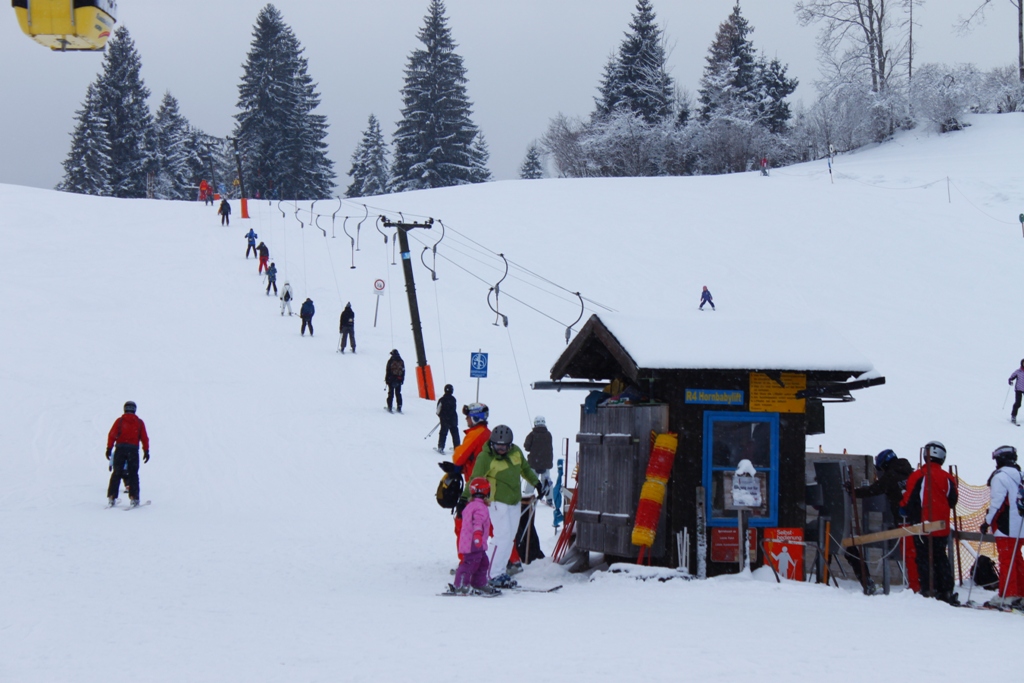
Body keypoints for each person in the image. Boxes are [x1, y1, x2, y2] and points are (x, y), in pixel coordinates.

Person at [465, 425, 541, 588]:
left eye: (504, 447)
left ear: (510, 445)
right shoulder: (485, 457)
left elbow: (525, 469)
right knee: (502, 536)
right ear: (492, 443)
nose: (500, 450)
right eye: (497, 446)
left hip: (514, 500)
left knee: (509, 537)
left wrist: (537, 483)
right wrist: (465, 498)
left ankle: (499, 571)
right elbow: (475, 478)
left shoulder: (516, 452)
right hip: (496, 501)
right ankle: (489, 574)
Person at [845, 449, 915, 594]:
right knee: (919, 556)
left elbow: (873, 490)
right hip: (918, 520)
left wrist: (853, 491)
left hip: (903, 521)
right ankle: (924, 586)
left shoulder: (891, 476)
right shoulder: (910, 472)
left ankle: (916, 588)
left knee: (910, 556)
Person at [899, 441, 959, 604]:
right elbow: (953, 500)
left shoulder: (918, 475)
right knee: (940, 557)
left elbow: (908, 500)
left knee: (924, 558)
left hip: (922, 525)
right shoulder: (948, 477)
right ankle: (945, 590)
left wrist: (903, 508)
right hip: (941, 526)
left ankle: (928, 589)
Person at [980, 445, 1024, 608]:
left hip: (1006, 526)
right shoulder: (1021, 475)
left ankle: (1008, 594)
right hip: (1021, 525)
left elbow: (997, 503)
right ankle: (1021, 592)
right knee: (1017, 559)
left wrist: (987, 521)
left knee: (1006, 560)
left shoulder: (1000, 477)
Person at [448, 478, 500, 596]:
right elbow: (477, 522)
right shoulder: (480, 507)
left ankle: (478, 583)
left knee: (483, 562)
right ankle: (461, 585)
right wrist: (477, 535)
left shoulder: (472, 505)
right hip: (474, 542)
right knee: (470, 563)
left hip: (474, 541)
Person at [105, 401, 150, 507]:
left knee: (116, 473)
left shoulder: (120, 421)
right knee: (133, 474)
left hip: (120, 449)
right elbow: (144, 438)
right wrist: (146, 450)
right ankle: (134, 498)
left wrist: (109, 448)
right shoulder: (139, 422)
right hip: (133, 450)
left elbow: (112, 435)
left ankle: (112, 497)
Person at [524, 415, 554, 504]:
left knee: (531, 480)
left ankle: (527, 497)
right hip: (546, 463)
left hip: (534, 463)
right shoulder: (548, 435)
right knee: (547, 481)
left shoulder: (531, 435)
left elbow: (527, 447)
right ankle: (549, 498)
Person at [435, 384, 460, 453]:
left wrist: (441, 416)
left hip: (444, 419)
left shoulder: (442, 400)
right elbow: (453, 409)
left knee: (443, 433)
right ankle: (457, 447)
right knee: (455, 433)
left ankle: (441, 447)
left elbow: (438, 411)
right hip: (453, 419)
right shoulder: (453, 399)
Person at [1008, 359, 1024, 424]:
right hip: (1018, 389)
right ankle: (1013, 416)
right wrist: (1010, 380)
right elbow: (1011, 377)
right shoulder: (1018, 371)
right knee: (1018, 403)